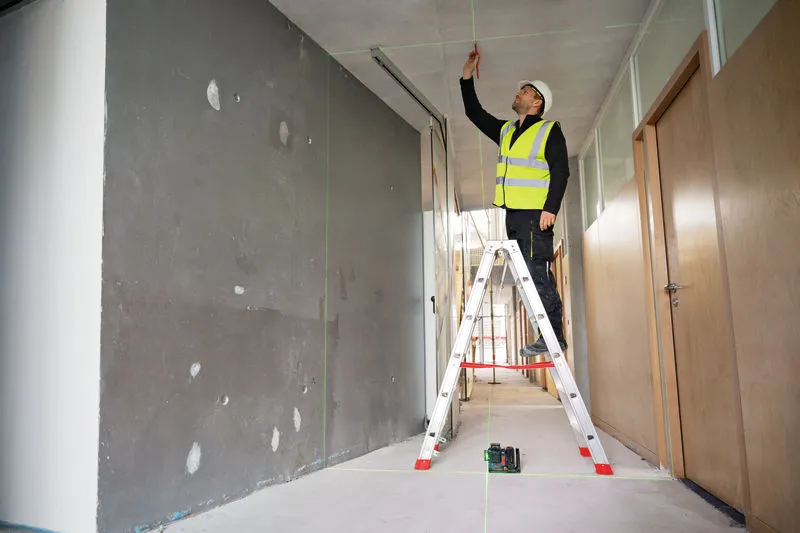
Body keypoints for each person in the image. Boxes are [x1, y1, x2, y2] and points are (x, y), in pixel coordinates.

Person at [460, 50, 569, 356]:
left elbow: (561, 170)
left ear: (537, 103)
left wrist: (551, 208)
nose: (519, 93)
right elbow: (475, 114)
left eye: (526, 91)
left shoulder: (549, 130)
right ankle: (544, 335)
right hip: (513, 217)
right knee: (525, 280)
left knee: (538, 274)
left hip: (536, 216)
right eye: (521, 89)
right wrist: (467, 76)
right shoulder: (507, 131)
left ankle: (554, 337)